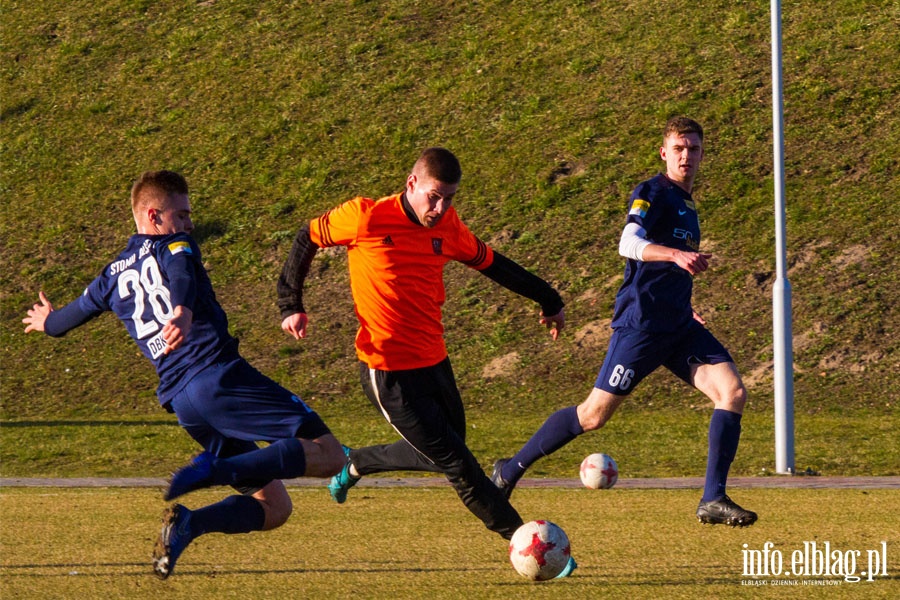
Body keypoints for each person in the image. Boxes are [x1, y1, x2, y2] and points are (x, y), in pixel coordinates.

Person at [23, 170, 347, 579]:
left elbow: (64, 322)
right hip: (218, 377)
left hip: (185, 404)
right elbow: (181, 274)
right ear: (155, 216)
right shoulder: (173, 244)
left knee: (275, 507)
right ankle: (217, 470)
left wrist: (46, 321)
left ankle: (190, 524)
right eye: (182, 214)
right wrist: (183, 309)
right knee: (331, 454)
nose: (190, 223)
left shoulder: (110, 276)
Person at [277, 147, 576, 575]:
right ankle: (529, 543)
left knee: (447, 453)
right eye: (434, 196)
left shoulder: (448, 227)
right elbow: (306, 237)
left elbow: (493, 264)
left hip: (434, 362)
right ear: (412, 184)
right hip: (388, 371)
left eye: (449, 198)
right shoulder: (365, 217)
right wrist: (290, 303)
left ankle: (356, 461)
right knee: (460, 466)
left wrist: (547, 297)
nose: (440, 208)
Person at [491, 117, 758, 528]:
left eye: (694, 148)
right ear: (664, 153)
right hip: (642, 326)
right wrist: (674, 254)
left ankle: (713, 498)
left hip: (679, 326)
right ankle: (510, 470)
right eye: (679, 148)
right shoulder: (652, 192)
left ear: (703, 154)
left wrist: (685, 306)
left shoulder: (688, 205)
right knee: (593, 415)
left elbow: (666, 274)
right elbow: (628, 243)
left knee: (732, 391)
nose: (687, 155)